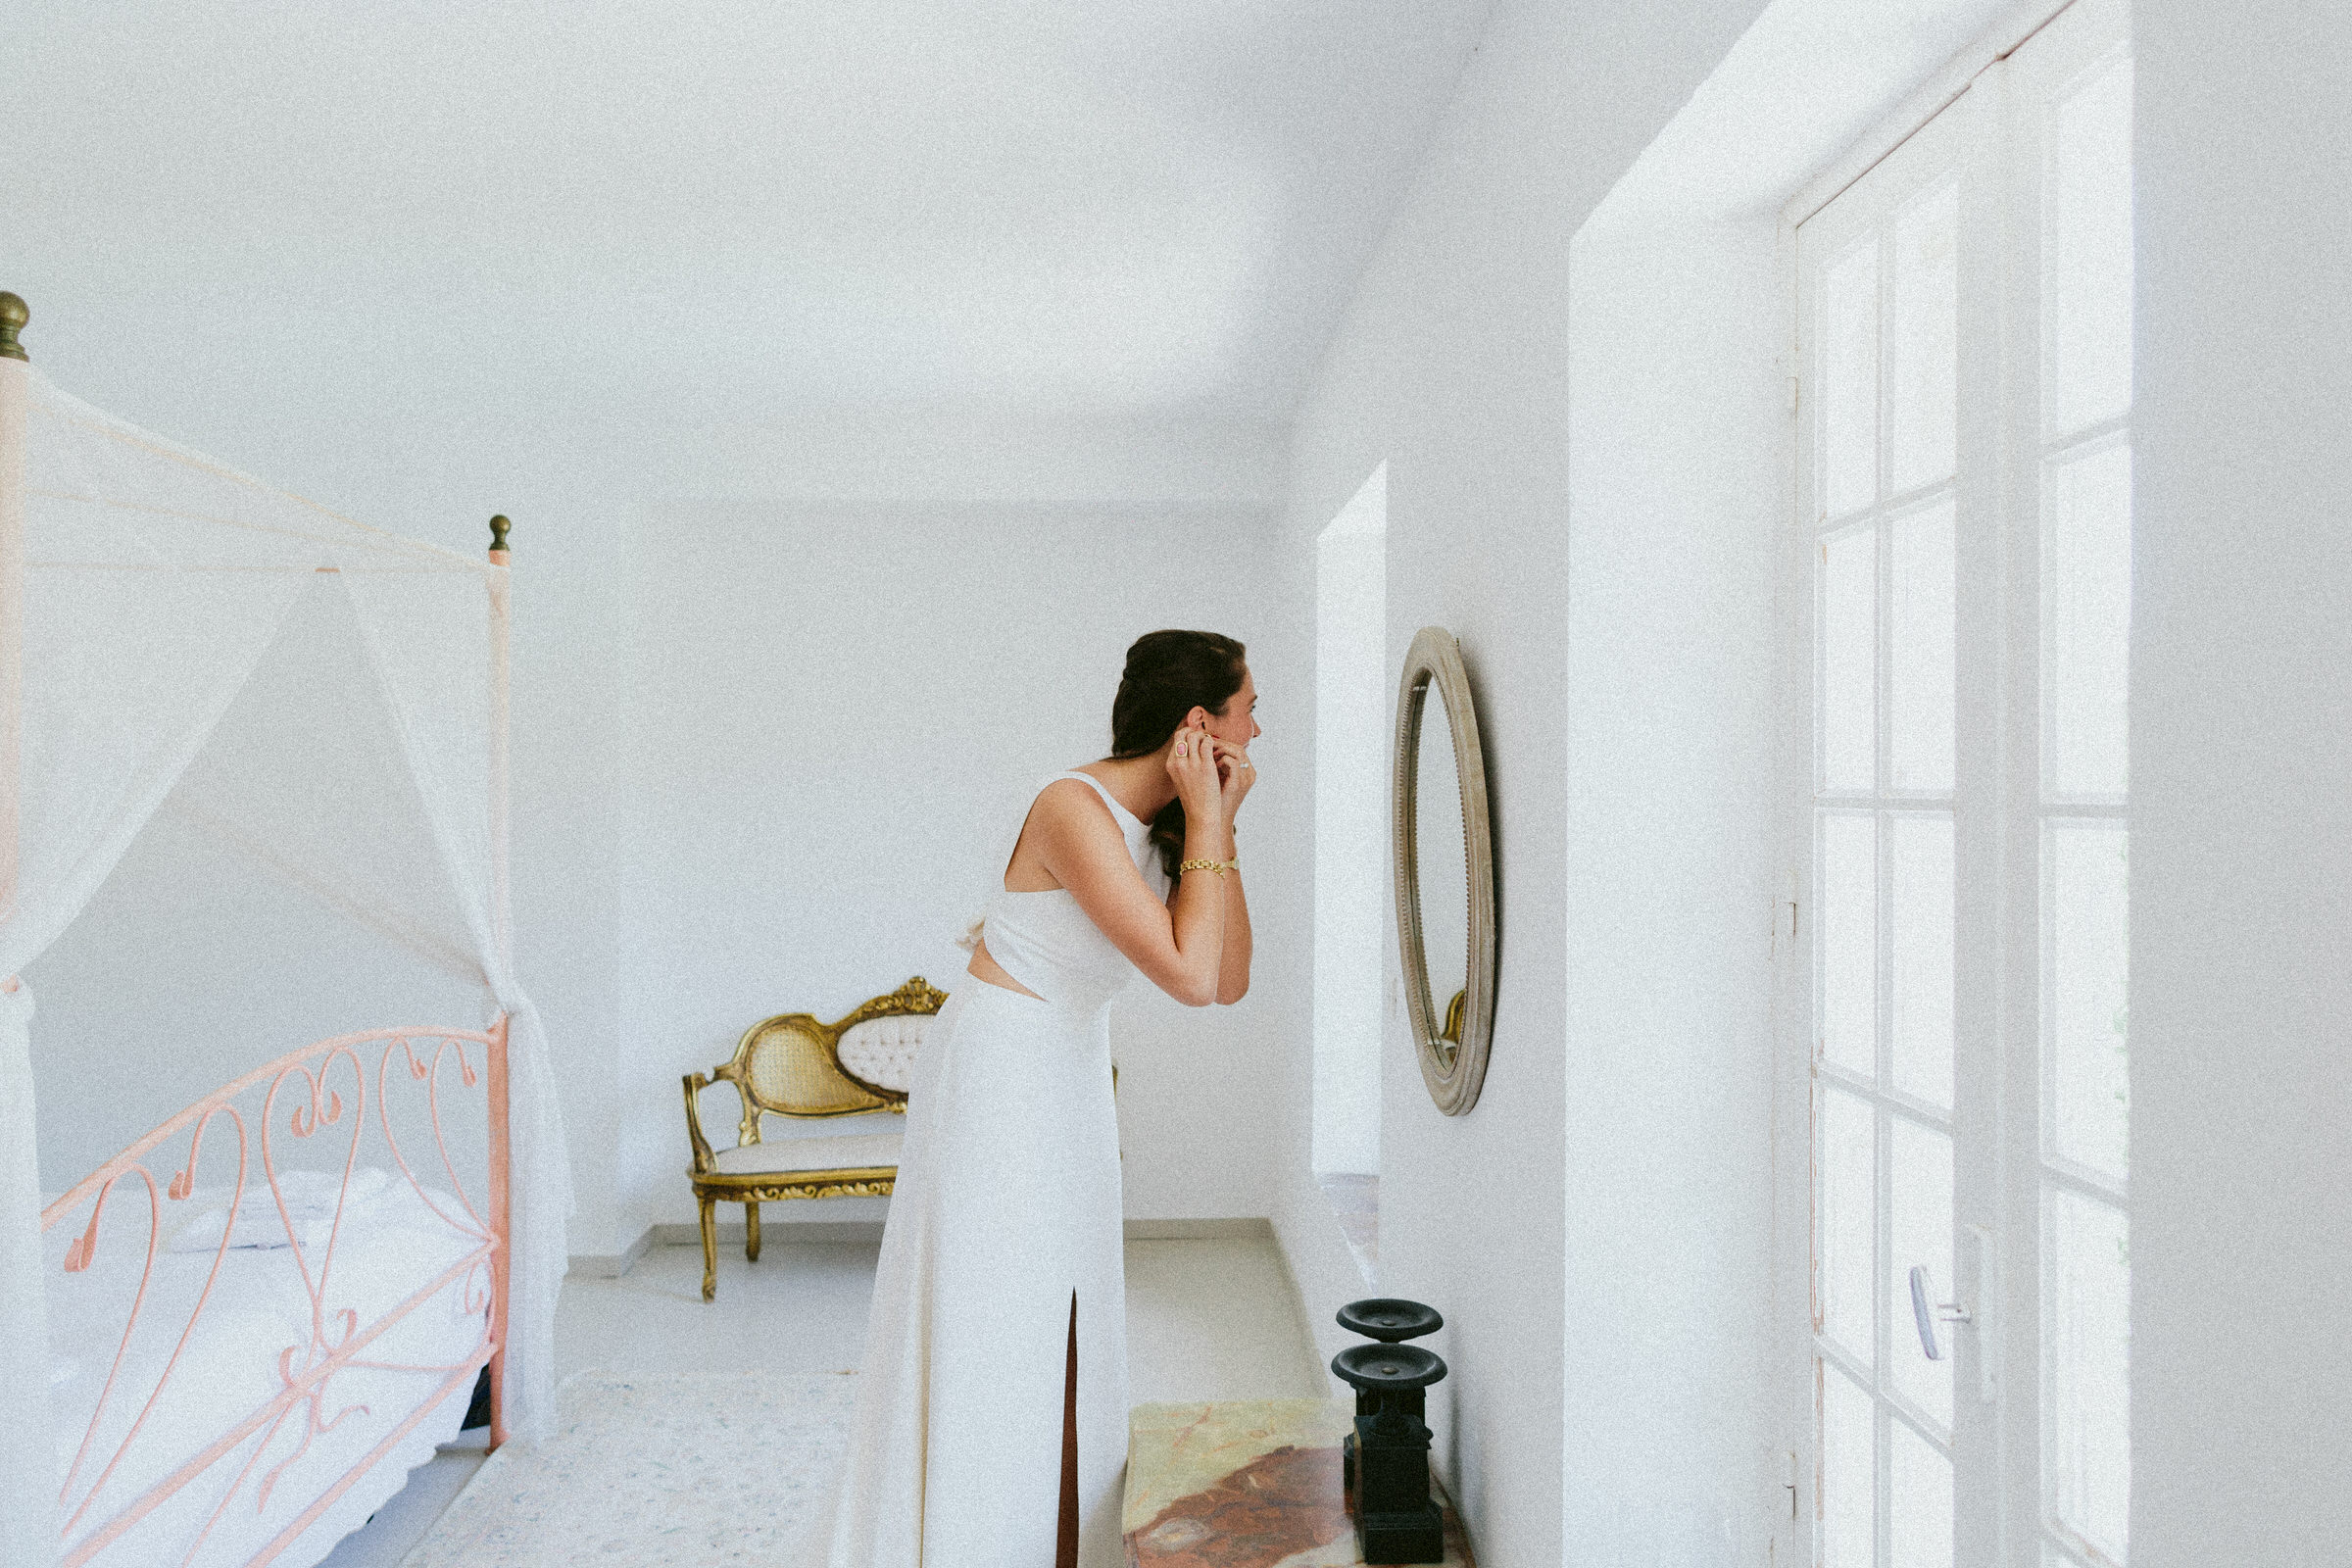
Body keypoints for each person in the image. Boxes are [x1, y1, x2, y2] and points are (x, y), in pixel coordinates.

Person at [794, 629, 1258, 1568]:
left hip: (1070, 1071)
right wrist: (1210, 824)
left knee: (1074, 1316)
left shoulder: (1173, 828)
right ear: (1199, 723)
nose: (1260, 730)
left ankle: (1059, 1542)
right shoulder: (1072, 808)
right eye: (1250, 711)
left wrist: (1220, 822)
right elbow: (1187, 977)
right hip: (1003, 1075)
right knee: (1000, 1318)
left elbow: (1228, 978)